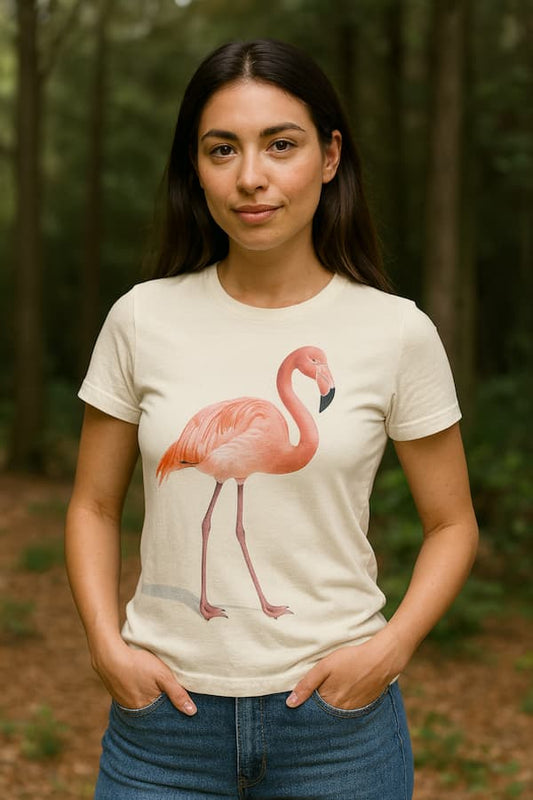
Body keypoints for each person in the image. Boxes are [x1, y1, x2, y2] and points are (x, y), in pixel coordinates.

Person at [65, 38, 478, 800]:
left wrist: (389, 650)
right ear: (196, 167)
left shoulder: (396, 332)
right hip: (163, 727)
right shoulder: (141, 318)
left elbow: (452, 523)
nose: (250, 176)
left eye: (280, 145)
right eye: (222, 149)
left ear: (329, 156)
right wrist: (103, 644)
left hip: (337, 728)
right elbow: (93, 504)